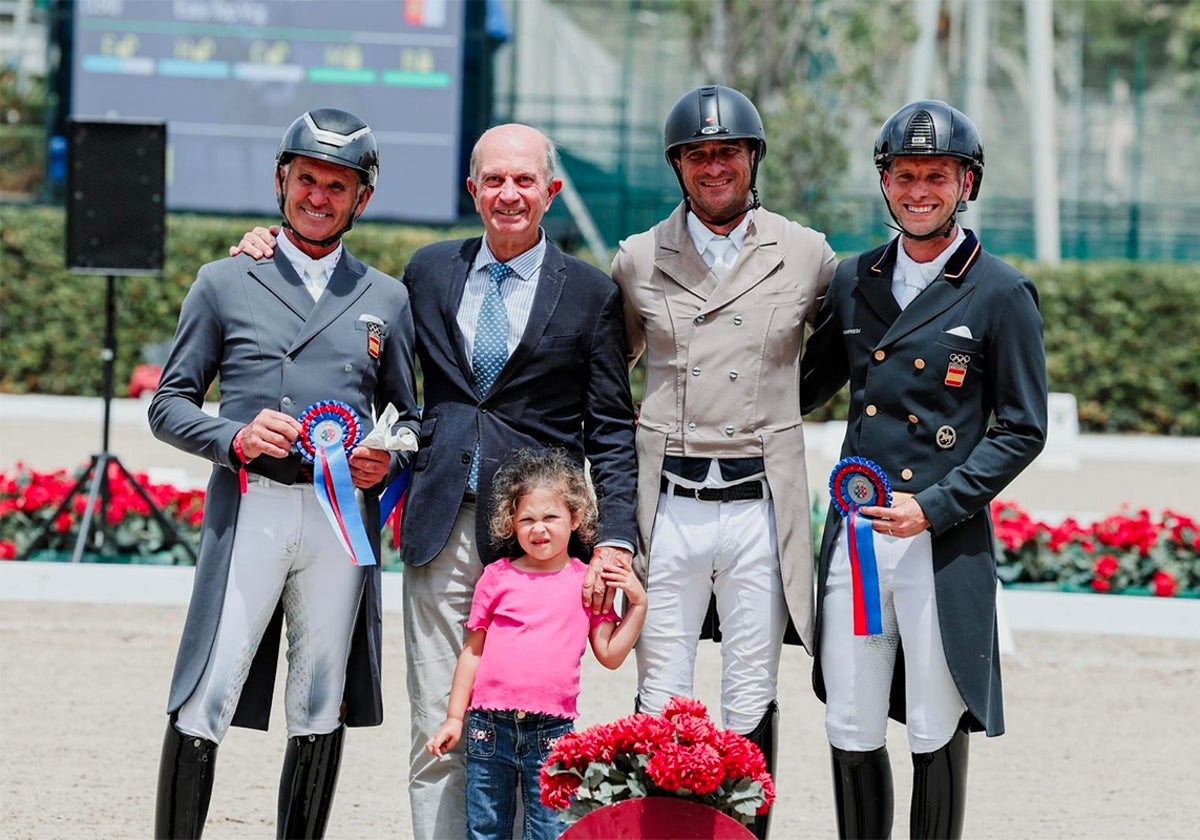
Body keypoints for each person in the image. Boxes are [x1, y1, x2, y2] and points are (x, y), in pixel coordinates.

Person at [231, 122, 639, 840]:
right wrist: (267, 249)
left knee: (533, 723)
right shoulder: (428, 271)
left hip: (540, 541)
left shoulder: (592, 294)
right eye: (493, 180)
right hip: (441, 521)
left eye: (523, 181)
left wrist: (616, 543)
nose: (507, 194)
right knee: (438, 725)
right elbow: (348, 309)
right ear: (472, 188)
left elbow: (609, 427)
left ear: (551, 190)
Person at [148, 108, 420, 838]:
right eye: (307, 180)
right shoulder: (224, 280)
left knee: (320, 698)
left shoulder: (386, 299)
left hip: (340, 522)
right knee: (207, 691)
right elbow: (167, 406)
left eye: (338, 186)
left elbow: (409, 417)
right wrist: (234, 436)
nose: (319, 198)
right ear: (281, 180)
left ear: (361, 199)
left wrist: (384, 454)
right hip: (253, 507)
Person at [800, 100, 1048, 839]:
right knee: (850, 719)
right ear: (884, 182)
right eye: (904, 175)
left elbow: (1023, 429)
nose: (918, 190)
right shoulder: (853, 280)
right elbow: (799, 389)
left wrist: (937, 505)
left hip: (938, 539)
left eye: (935, 175)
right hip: (858, 539)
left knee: (935, 725)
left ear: (965, 182)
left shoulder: (1000, 290)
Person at [609, 84, 837, 839]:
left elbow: (845, 351)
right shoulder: (640, 258)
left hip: (756, 500)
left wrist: (779, 406)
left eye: (728, 152)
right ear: (679, 166)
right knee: (661, 688)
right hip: (669, 496)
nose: (715, 167)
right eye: (699, 155)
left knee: (751, 691)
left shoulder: (805, 252)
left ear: (752, 159)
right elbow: (610, 373)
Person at [425, 447, 647, 840]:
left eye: (550, 517)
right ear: (511, 523)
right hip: (487, 728)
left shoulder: (587, 582)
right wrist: (455, 718)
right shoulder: (496, 577)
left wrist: (638, 604)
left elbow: (610, 655)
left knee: (548, 831)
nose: (538, 528)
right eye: (526, 518)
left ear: (575, 518)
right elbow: (473, 651)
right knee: (484, 829)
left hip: (553, 732)